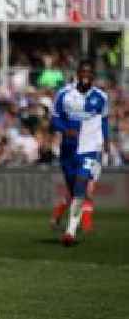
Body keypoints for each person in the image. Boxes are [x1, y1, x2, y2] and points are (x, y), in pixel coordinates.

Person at [49, 60, 110, 246]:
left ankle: (70, 231)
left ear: (93, 76)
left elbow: (104, 122)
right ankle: (61, 217)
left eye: (89, 72)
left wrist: (106, 142)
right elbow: (54, 120)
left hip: (90, 148)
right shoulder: (64, 94)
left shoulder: (101, 97)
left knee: (81, 186)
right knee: (73, 187)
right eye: (83, 71)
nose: (86, 75)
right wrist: (64, 130)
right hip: (68, 148)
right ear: (77, 73)